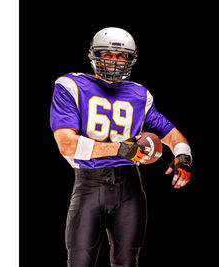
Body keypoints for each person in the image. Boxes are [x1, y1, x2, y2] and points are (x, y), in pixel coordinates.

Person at [49, 27, 192, 267]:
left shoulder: (139, 94)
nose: (114, 61)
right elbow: (66, 145)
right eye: (108, 54)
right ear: (95, 55)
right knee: (79, 262)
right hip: (88, 185)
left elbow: (173, 134)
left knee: (127, 262)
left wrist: (183, 156)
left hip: (130, 187)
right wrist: (119, 149)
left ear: (130, 60)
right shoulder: (71, 85)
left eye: (121, 56)